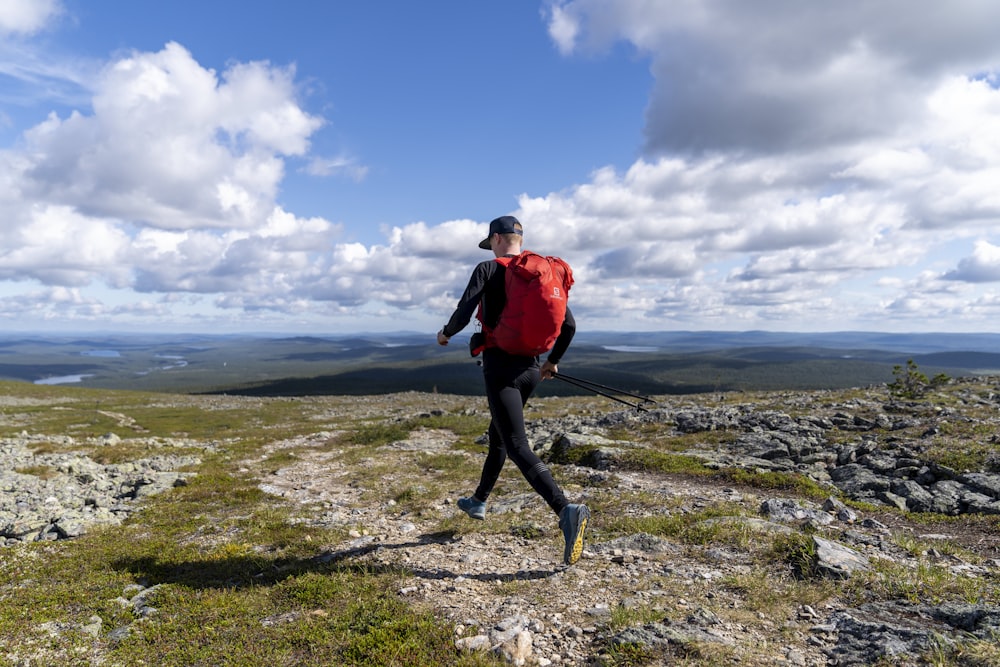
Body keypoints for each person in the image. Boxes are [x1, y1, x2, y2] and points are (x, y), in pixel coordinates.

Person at [436, 215, 590, 566]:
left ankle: (566, 510)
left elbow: (464, 310)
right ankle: (478, 500)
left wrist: (445, 333)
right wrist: (552, 361)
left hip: (501, 368)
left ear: (494, 239)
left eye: (490, 241)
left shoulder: (489, 269)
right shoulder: (539, 273)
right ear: (519, 240)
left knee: (517, 443)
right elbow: (569, 325)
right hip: (532, 368)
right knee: (499, 434)